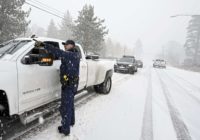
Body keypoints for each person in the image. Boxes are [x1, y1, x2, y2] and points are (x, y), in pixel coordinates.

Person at [37, 40, 80, 136]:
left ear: (72, 45)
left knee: (65, 107)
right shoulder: (74, 54)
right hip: (72, 84)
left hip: (69, 85)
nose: (65, 46)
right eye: (64, 45)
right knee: (70, 105)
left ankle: (65, 129)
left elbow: (58, 52)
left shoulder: (71, 55)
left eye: (67, 45)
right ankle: (71, 122)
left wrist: (44, 45)